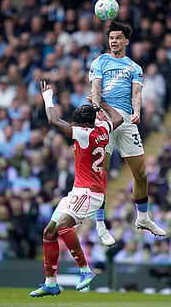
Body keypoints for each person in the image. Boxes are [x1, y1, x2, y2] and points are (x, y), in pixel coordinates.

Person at [29, 81, 123, 297]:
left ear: (82, 125)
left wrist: (48, 96)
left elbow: (53, 119)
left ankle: (85, 269)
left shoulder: (84, 133)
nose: (73, 124)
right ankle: (51, 283)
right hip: (80, 191)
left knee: (62, 228)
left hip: (88, 192)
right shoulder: (103, 129)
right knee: (49, 232)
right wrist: (103, 106)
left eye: (75, 122)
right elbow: (117, 118)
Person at [89, 21, 166, 244]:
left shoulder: (135, 67)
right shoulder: (100, 62)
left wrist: (137, 112)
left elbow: (137, 93)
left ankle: (143, 217)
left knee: (140, 173)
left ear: (126, 41)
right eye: (111, 37)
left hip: (126, 120)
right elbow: (95, 89)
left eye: (118, 38)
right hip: (104, 118)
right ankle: (100, 224)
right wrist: (96, 109)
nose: (114, 41)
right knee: (101, 174)